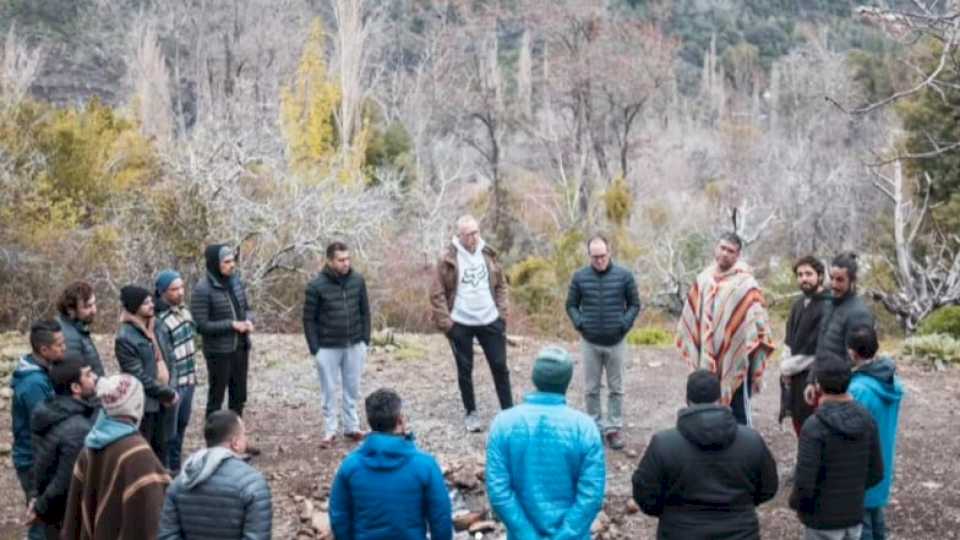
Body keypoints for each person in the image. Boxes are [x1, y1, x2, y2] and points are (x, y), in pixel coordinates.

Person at [631, 369, 779, 539]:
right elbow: (769, 488)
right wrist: (742, 506)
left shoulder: (663, 444)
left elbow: (644, 493)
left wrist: (670, 514)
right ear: (721, 398)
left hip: (679, 532)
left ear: (687, 400)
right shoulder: (751, 441)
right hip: (741, 533)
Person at [485, 346, 605, 539]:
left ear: (534, 378)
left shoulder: (503, 423)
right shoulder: (585, 428)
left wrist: (527, 535)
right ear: (567, 381)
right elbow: (591, 496)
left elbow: (498, 492)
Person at [676, 233, 775, 426]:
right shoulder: (703, 279)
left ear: (737, 256)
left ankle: (742, 447)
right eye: (722, 248)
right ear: (716, 248)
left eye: (730, 251)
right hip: (706, 355)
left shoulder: (746, 284)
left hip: (736, 356)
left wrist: (752, 343)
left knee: (738, 410)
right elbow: (690, 317)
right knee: (704, 404)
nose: (725, 254)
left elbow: (759, 323)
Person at [329, 388, 452, 540]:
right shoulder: (426, 465)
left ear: (370, 422)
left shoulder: (350, 466)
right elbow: (441, 518)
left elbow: (338, 516)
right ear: (400, 420)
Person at [430, 215, 513, 432]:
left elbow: (501, 285)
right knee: (465, 369)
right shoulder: (447, 258)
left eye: (476, 232)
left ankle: (508, 411)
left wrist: (501, 314)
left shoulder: (488, 253)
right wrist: (447, 324)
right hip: (461, 322)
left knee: (500, 366)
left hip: (490, 319)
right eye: (469, 234)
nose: (474, 237)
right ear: (459, 236)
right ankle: (471, 412)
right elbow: (436, 293)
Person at [63, 374, 171, 540]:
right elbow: (150, 519)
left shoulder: (90, 446)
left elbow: (75, 516)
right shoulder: (139, 454)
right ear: (136, 405)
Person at [789, 353, 884, 540]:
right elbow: (877, 472)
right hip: (854, 516)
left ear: (818, 386)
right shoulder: (867, 420)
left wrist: (797, 504)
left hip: (821, 520)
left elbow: (804, 482)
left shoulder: (814, 426)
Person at [565, 234, 642, 450]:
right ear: (589, 255)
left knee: (616, 388)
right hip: (590, 341)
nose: (599, 260)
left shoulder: (624, 276)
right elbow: (570, 305)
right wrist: (581, 324)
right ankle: (594, 427)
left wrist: (623, 324)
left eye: (602, 255)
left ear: (610, 253)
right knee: (591, 388)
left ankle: (614, 428)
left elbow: (635, 304)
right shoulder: (580, 277)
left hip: (616, 340)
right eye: (594, 256)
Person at [158, 410, 272, 540]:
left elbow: (167, 535)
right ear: (235, 443)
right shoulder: (253, 483)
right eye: (244, 435)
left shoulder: (180, 482)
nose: (246, 439)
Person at [303, 241, 372, 447]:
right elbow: (308, 319)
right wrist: (315, 348)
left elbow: (365, 311)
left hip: (354, 344)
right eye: (341, 260)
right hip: (327, 346)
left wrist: (365, 339)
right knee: (329, 390)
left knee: (352, 388)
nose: (346, 263)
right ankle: (330, 430)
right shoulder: (316, 286)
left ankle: (351, 427)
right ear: (330, 261)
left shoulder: (358, 280)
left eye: (348, 259)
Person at [29, 358, 98, 538]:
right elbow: (66, 480)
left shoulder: (50, 410)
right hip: (65, 516)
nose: (95, 378)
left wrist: (36, 499)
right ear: (75, 388)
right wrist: (39, 507)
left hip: (51, 510)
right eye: (88, 375)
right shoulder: (78, 429)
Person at [848, 325, 904, 540]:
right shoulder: (892, 383)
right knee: (877, 515)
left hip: (862, 467)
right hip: (884, 460)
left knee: (864, 526)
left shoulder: (858, 390)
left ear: (853, 353)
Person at [11, 320, 64, 540]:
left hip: (36, 457)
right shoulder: (34, 385)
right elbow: (43, 430)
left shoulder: (42, 372)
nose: (65, 348)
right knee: (41, 518)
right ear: (44, 350)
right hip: (33, 460)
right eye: (60, 345)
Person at [191, 244, 256, 421]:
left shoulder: (236, 282)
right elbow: (201, 325)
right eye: (226, 262)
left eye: (233, 260)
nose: (232, 265)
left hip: (241, 348)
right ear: (215, 264)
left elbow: (247, 308)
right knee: (216, 398)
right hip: (218, 351)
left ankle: (235, 438)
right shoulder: (202, 289)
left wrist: (249, 320)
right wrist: (232, 325)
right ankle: (213, 442)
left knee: (239, 396)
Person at [115, 285, 178, 466]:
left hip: (165, 400)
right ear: (134, 307)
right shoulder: (125, 337)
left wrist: (171, 388)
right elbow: (137, 375)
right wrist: (166, 393)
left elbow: (171, 358)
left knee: (163, 447)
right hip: (145, 404)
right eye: (145, 303)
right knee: (145, 452)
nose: (152, 305)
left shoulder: (157, 325)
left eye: (151, 301)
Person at [805, 252, 876, 406]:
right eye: (832, 278)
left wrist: (830, 387)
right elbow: (822, 346)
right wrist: (812, 380)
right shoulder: (830, 304)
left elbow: (855, 360)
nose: (834, 284)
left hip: (842, 394)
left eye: (840, 280)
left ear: (852, 281)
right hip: (824, 387)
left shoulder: (859, 313)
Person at [154, 270, 199, 474]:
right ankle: (168, 469)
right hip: (174, 383)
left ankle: (177, 466)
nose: (180, 292)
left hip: (189, 379)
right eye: (174, 289)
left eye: (181, 287)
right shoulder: (160, 321)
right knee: (169, 431)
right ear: (163, 292)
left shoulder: (184, 311)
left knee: (182, 425)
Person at [779, 255, 828, 436]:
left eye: (809, 274)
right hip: (794, 377)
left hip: (816, 378)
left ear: (820, 276)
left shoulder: (828, 305)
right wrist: (785, 365)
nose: (804, 279)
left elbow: (823, 348)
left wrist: (789, 366)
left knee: (814, 428)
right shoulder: (798, 304)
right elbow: (789, 340)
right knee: (799, 424)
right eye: (800, 275)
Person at [56, 281, 105, 377]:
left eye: (94, 304)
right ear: (71, 310)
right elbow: (75, 378)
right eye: (87, 306)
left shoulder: (78, 328)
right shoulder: (67, 336)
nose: (94, 310)